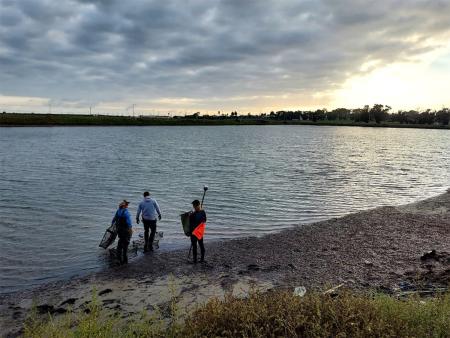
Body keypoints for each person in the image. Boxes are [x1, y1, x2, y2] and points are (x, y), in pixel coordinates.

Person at [112, 200, 132, 264]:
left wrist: (113, 226)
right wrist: (130, 230)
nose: (127, 206)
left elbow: (113, 220)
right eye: (127, 205)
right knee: (125, 245)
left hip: (119, 230)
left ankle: (118, 259)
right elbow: (129, 223)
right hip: (126, 231)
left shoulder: (118, 211)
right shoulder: (126, 212)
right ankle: (125, 260)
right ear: (124, 206)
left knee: (120, 244)